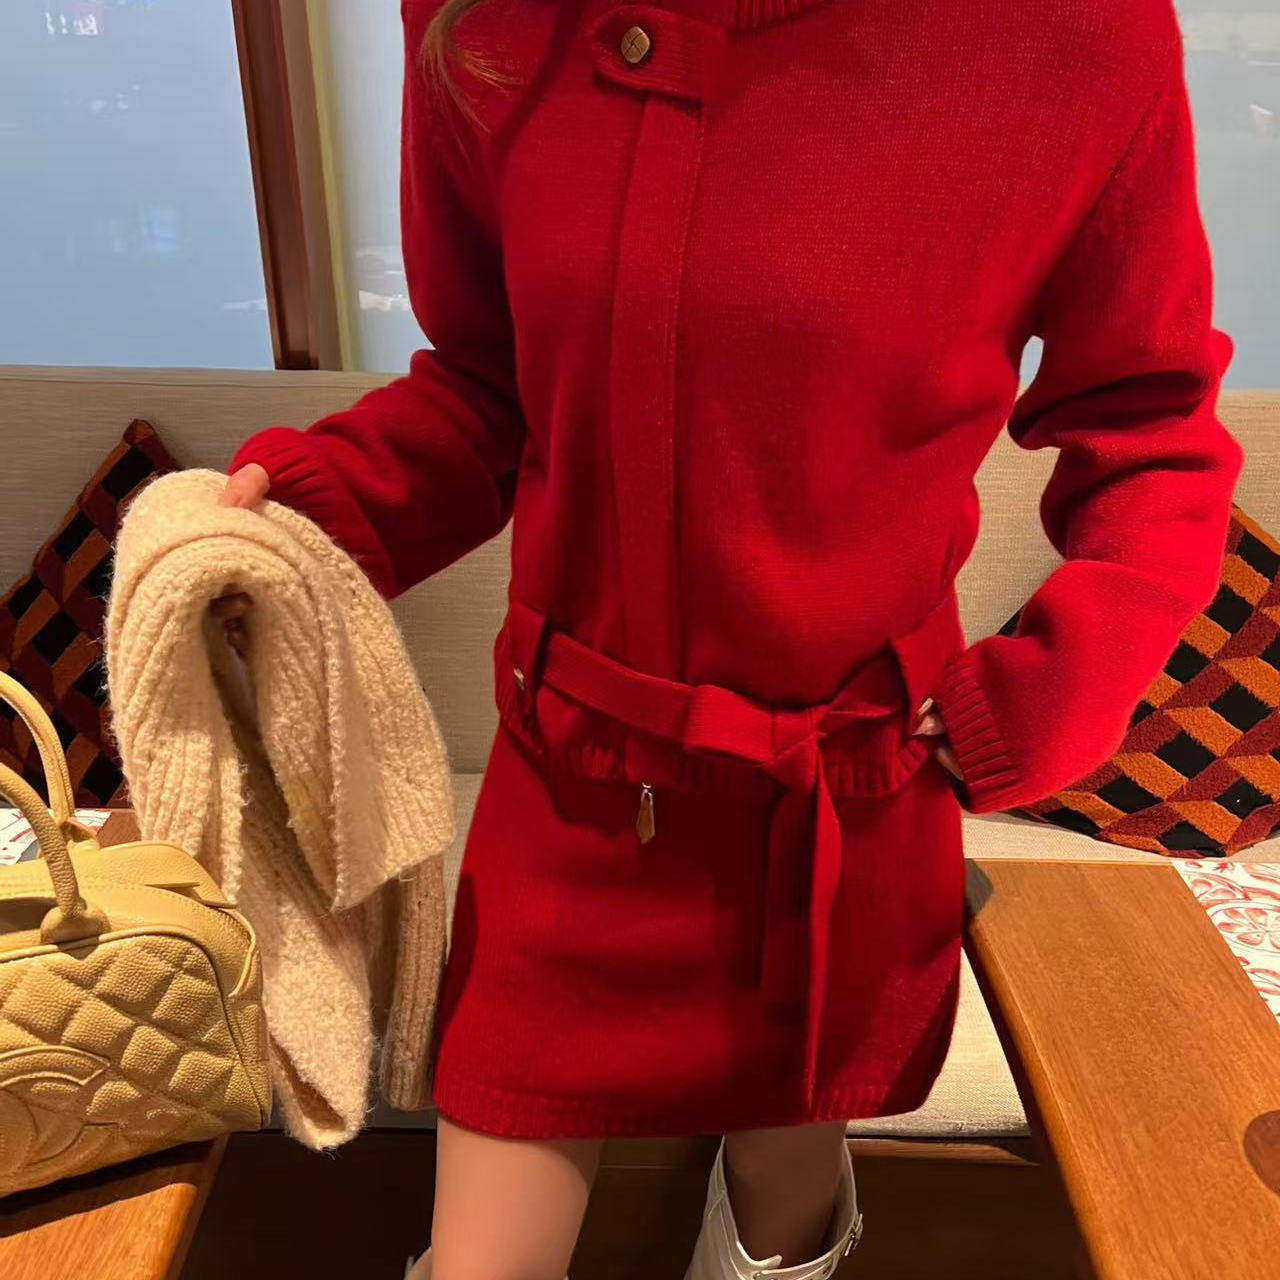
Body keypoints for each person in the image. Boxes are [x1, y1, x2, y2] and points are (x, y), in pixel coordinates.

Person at [217, 0, 1244, 1275]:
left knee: (777, 1217)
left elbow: (1149, 427)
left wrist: (1052, 688)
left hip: (833, 811)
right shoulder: (479, 20)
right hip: (569, 792)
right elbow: (488, 384)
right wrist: (313, 514)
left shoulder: (1075, 37)